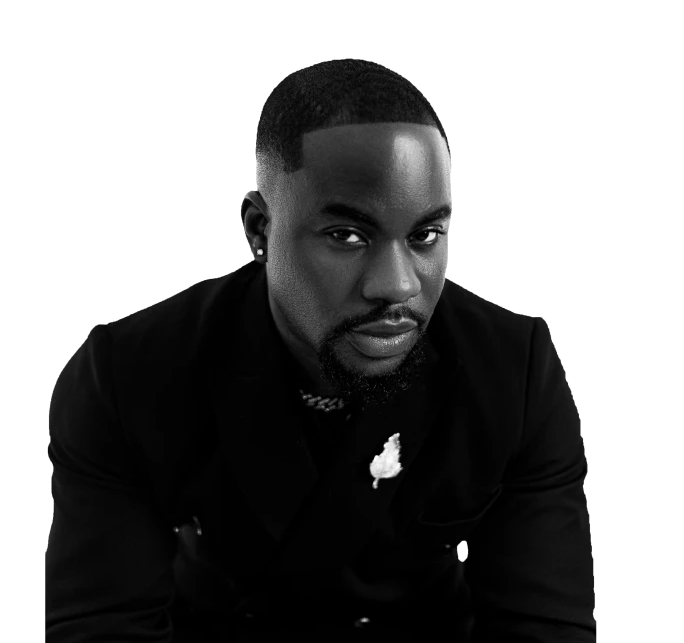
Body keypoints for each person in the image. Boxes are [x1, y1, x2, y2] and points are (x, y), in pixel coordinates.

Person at [44, 57, 596, 641]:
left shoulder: (513, 370)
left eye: (425, 235)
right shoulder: (128, 374)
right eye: (347, 235)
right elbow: (103, 628)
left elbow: (546, 628)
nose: (397, 286)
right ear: (259, 229)